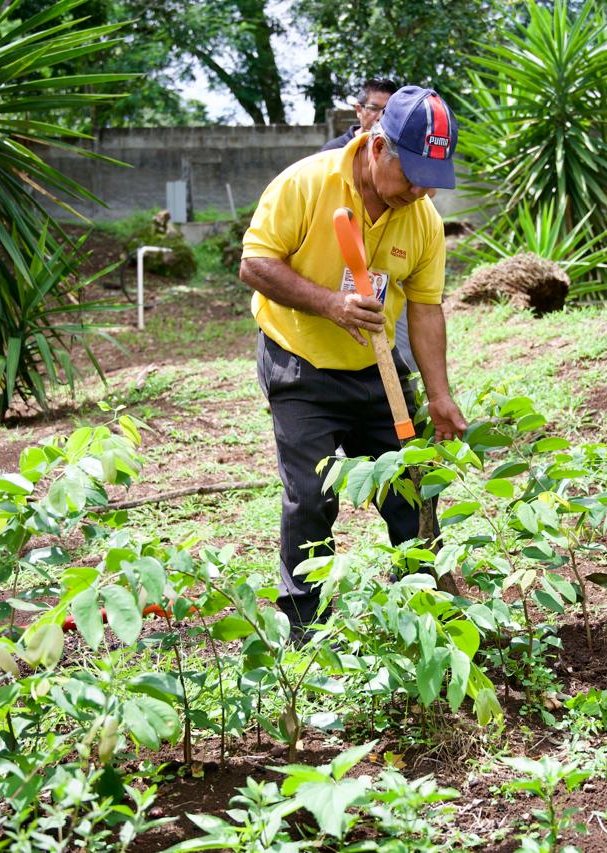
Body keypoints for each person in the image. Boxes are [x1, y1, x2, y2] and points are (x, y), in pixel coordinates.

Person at [240, 86, 468, 633]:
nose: (420, 190)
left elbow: (426, 310)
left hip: (378, 369)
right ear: (378, 147)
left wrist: (439, 396)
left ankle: (423, 610)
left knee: (409, 485)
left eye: (431, 179)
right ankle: (306, 631)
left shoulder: (422, 219)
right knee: (311, 498)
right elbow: (255, 265)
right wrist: (330, 304)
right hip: (301, 363)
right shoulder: (306, 183)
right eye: (412, 174)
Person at [321, 78, 416, 371]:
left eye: (389, 111)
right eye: (375, 108)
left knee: (403, 355)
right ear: (359, 109)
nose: (380, 117)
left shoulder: (407, 159)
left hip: (387, 275)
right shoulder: (331, 155)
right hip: (339, 278)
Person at [321, 78, 399, 152]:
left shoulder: (398, 151)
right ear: (358, 110)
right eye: (373, 108)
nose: (381, 117)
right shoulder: (334, 151)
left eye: (387, 110)